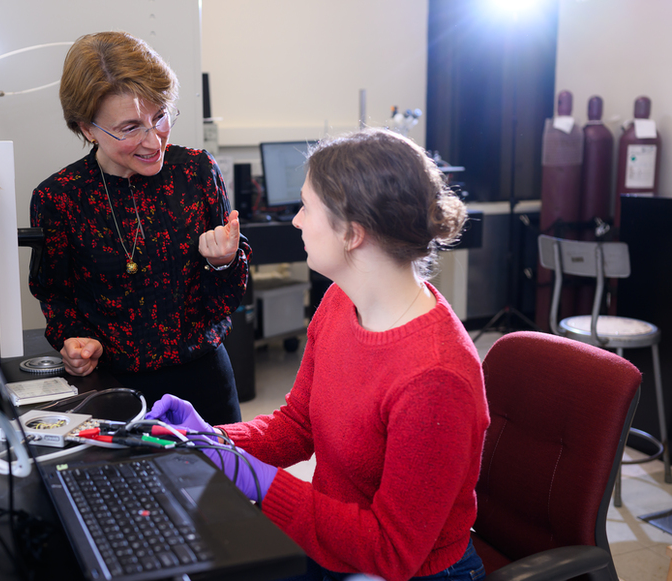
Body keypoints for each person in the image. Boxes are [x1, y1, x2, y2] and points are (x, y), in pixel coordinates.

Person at [147, 128, 490, 581]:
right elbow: (298, 425)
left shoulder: (435, 376)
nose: (296, 221)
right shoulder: (339, 301)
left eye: (307, 207)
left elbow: (392, 552)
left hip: (409, 571)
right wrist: (214, 442)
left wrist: (262, 483)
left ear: (352, 233)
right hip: (338, 543)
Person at [29, 31, 250, 425]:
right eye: (130, 128)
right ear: (86, 128)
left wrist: (224, 263)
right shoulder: (59, 198)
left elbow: (224, 303)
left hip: (204, 380)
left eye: (160, 115)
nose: (154, 140)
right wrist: (76, 342)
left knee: (223, 486)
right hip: (112, 389)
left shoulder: (196, 172)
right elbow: (55, 296)